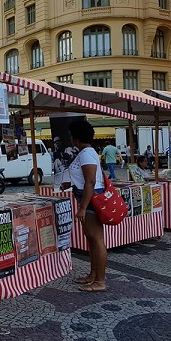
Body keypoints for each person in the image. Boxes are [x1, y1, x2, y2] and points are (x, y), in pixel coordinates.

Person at [68, 120, 107, 292]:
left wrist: (82, 207)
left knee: (96, 239)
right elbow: (86, 179)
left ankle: (100, 281)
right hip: (88, 197)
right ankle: (93, 275)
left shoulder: (86, 154)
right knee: (92, 239)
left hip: (90, 199)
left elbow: (90, 181)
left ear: (75, 137)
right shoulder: (87, 152)